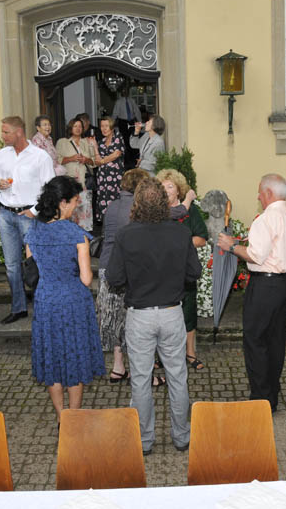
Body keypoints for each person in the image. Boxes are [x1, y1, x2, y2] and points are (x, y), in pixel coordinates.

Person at [106, 178, 202, 455]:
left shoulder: (126, 235)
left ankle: (145, 441)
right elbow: (194, 272)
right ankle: (181, 437)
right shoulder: (180, 232)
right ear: (163, 202)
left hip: (140, 315)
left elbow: (114, 278)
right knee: (177, 376)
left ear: (137, 203)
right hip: (172, 313)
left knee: (140, 379)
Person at [217, 174, 286, 413]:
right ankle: (271, 394)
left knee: (255, 341)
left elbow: (256, 255)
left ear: (268, 193)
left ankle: (260, 398)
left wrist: (231, 246)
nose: (258, 197)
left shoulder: (265, 219)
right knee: (276, 340)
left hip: (266, 286)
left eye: (259, 192)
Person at [24, 176, 105, 423]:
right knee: (75, 358)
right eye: (75, 201)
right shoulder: (76, 234)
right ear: (62, 202)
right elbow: (86, 279)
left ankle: (61, 417)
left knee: (53, 359)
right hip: (73, 303)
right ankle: (74, 418)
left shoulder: (33, 231)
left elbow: (31, 272)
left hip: (46, 301)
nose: (76, 206)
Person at [0, 115, 55, 324]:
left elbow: (50, 189)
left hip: (29, 216)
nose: (2, 135)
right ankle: (18, 308)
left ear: (19, 132)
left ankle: (42, 308)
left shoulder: (40, 157)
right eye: (2, 131)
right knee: (11, 265)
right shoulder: (2, 154)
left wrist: (34, 211)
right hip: (6, 214)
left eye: (6, 132)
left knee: (35, 264)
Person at [157, 169, 208, 370]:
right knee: (162, 314)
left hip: (185, 270)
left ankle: (190, 353)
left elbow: (201, 238)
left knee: (188, 313)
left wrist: (179, 243)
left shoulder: (191, 211)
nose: (166, 190)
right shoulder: (156, 212)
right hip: (162, 273)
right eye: (162, 187)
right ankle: (162, 355)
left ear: (179, 190)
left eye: (170, 186)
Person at [56, 117, 95, 231]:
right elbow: (57, 160)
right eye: (75, 126)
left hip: (84, 182)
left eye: (80, 126)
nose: (78, 129)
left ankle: (84, 236)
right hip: (69, 181)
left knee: (84, 211)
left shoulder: (86, 142)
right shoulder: (62, 142)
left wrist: (86, 160)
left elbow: (93, 162)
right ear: (70, 128)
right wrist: (71, 158)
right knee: (70, 210)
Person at [94, 116, 125, 224]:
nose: (104, 128)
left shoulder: (118, 138)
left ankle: (116, 223)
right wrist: (94, 146)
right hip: (102, 176)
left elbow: (116, 154)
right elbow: (96, 161)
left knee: (115, 199)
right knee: (103, 199)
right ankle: (105, 225)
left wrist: (103, 161)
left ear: (112, 127)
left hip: (115, 176)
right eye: (102, 126)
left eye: (106, 126)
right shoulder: (101, 142)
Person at [112, 89, 140, 168]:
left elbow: (137, 111)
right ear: (122, 93)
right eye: (124, 91)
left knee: (133, 139)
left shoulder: (132, 101)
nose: (125, 93)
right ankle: (126, 161)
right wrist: (111, 124)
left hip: (131, 122)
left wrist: (139, 121)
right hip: (123, 123)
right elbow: (115, 113)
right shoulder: (118, 102)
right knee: (124, 141)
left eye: (126, 91)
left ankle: (134, 159)